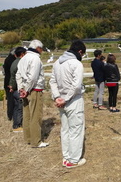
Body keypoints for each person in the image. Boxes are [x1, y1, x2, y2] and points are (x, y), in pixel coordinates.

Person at [49, 40, 87, 168]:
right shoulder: (76, 64)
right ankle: (74, 160)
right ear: (80, 52)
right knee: (76, 130)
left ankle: (66, 157)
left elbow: (52, 82)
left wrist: (57, 97)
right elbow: (76, 86)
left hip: (61, 102)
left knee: (65, 129)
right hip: (73, 101)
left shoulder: (57, 63)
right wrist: (65, 98)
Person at [16, 40, 49, 148]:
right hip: (34, 90)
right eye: (42, 49)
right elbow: (33, 77)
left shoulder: (24, 58)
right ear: (38, 48)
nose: (42, 51)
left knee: (27, 114)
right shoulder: (35, 58)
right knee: (36, 115)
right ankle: (36, 141)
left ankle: (28, 138)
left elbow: (18, 75)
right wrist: (27, 89)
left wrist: (21, 88)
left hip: (25, 90)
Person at [8, 47, 26, 132]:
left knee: (16, 108)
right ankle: (18, 125)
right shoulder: (21, 63)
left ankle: (15, 124)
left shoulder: (14, 62)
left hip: (14, 89)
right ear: (22, 54)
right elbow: (17, 77)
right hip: (18, 89)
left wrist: (12, 86)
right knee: (19, 108)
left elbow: (12, 78)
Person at [3, 48, 16, 121]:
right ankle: (10, 115)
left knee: (10, 100)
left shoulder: (7, 59)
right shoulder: (11, 60)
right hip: (10, 83)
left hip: (7, 82)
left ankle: (10, 115)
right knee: (11, 100)